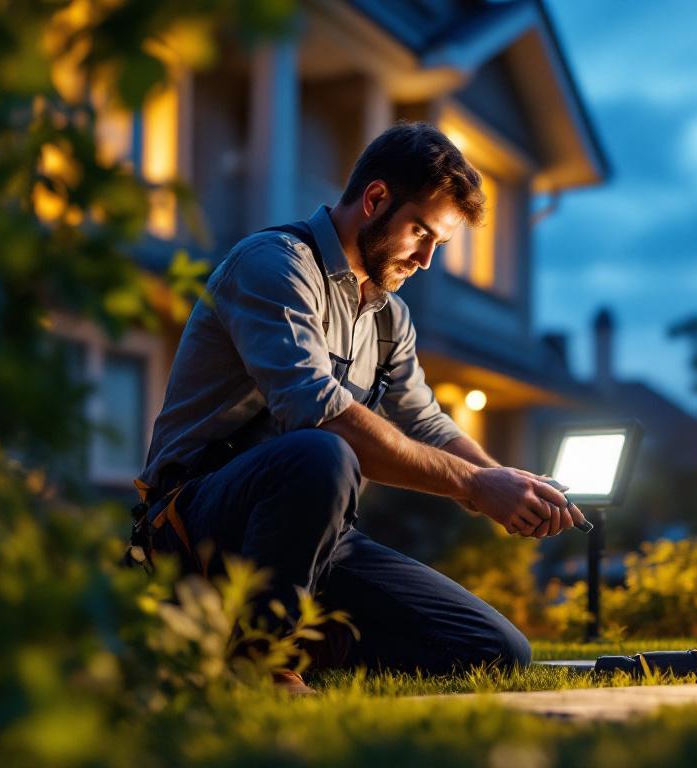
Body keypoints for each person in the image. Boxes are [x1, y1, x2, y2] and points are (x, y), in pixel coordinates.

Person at [135, 121, 584, 694]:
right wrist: (473, 487)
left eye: (439, 246)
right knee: (323, 452)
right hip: (200, 521)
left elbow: (426, 422)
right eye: (421, 233)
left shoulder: (390, 319)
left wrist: (499, 480)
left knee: (494, 651)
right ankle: (262, 663)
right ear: (375, 200)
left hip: (310, 541)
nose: (425, 260)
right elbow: (315, 410)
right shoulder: (275, 265)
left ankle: (303, 638)